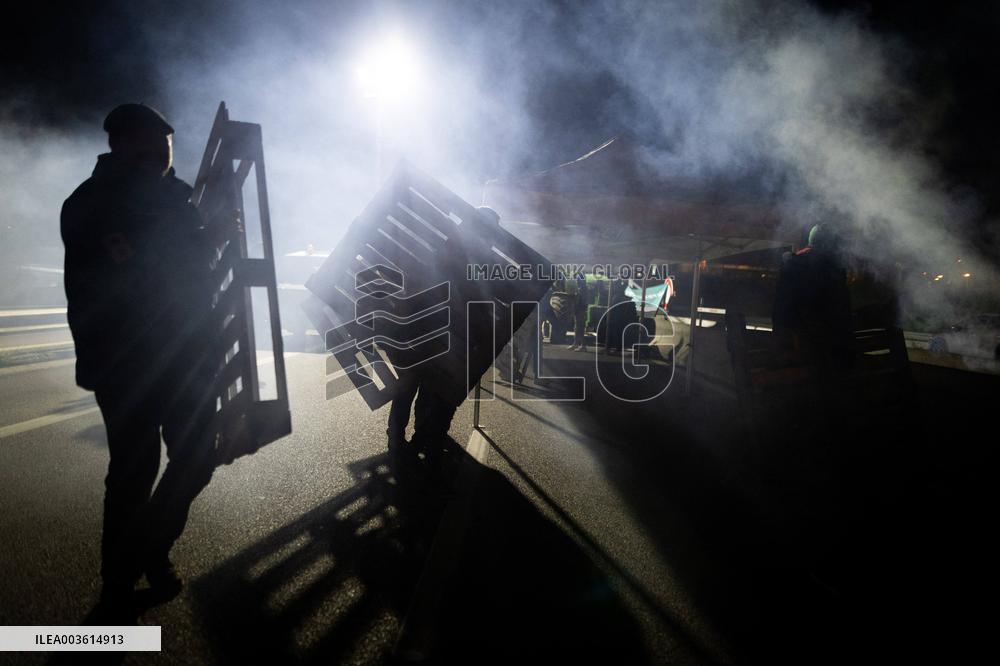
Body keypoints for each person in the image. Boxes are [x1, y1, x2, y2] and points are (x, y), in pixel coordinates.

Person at [61, 103, 233, 611]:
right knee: (135, 471)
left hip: (185, 357)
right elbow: (156, 272)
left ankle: (146, 551)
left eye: (166, 145)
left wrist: (210, 239)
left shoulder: (172, 199)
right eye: (151, 144)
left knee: (197, 457)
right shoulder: (95, 202)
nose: (162, 154)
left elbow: (190, 271)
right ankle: (121, 576)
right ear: (122, 145)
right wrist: (210, 240)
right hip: (126, 362)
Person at [772, 223, 854, 370]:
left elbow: (781, 309)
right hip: (819, 350)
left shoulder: (792, 264)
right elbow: (841, 312)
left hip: (798, 345)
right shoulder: (833, 269)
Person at [566, 275, 590, 351]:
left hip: (581, 310)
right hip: (580, 310)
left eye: (578, 280)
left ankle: (579, 345)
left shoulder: (583, 289)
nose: (576, 281)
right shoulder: (581, 289)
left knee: (579, 328)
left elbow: (582, 301)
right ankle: (578, 344)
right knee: (578, 327)